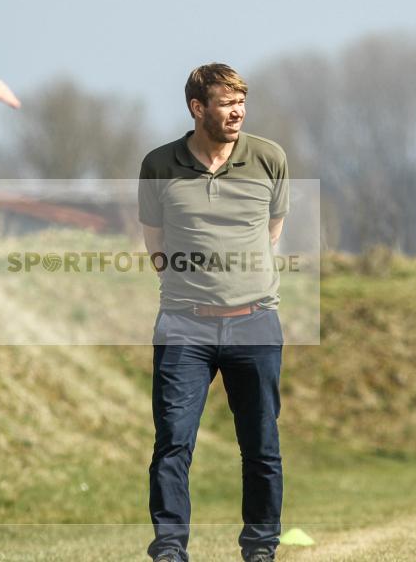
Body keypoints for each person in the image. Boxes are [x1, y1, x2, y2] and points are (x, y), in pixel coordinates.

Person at [138, 63, 289, 562]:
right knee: (174, 443)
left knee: (262, 446)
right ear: (197, 108)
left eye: (241, 101)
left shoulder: (269, 158)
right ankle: (169, 549)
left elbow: (272, 232)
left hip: (255, 321)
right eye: (226, 103)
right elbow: (155, 244)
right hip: (184, 323)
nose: (237, 111)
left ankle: (261, 548)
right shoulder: (159, 164)